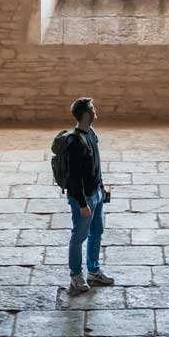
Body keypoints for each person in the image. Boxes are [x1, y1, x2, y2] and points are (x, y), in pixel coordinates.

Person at [66, 96, 114, 294]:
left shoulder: (91, 134)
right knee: (79, 236)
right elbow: (74, 178)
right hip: (83, 199)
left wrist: (101, 186)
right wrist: (82, 203)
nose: (96, 112)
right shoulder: (74, 142)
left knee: (97, 232)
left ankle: (93, 272)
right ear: (86, 114)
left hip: (96, 194)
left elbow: (97, 163)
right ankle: (76, 276)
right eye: (93, 109)